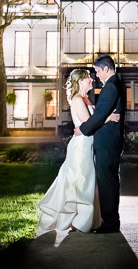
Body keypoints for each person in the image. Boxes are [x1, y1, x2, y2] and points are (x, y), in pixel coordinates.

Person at [36, 68, 120, 246]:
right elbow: (88, 122)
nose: (91, 79)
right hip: (81, 147)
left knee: (86, 183)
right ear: (80, 81)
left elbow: (91, 122)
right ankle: (79, 221)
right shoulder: (77, 99)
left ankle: (82, 220)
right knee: (80, 182)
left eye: (91, 76)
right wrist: (110, 117)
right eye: (88, 77)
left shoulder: (86, 98)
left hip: (87, 144)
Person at [79, 54, 126, 234]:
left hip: (107, 141)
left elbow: (99, 116)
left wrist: (83, 130)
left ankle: (110, 222)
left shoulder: (111, 87)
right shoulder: (115, 85)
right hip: (111, 140)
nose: (96, 75)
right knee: (110, 181)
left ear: (106, 68)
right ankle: (112, 220)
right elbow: (104, 114)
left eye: (98, 71)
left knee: (107, 182)